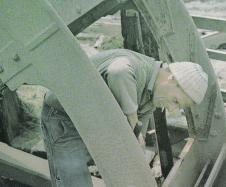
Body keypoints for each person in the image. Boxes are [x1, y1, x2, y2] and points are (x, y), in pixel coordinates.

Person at [41, 49, 208, 187]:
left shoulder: (153, 94)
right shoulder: (138, 67)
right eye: (176, 101)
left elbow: (137, 139)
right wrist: (133, 120)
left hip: (93, 122)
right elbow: (118, 71)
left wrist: (138, 155)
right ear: (172, 79)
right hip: (64, 118)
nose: (171, 108)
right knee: (72, 179)